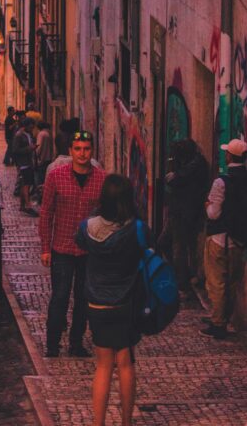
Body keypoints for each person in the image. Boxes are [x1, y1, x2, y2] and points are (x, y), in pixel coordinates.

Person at [76, 174, 148, 426]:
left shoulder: (88, 227)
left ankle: (98, 423)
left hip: (96, 304)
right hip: (125, 304)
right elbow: (146, 248)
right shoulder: (136, 228)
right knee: (125, 363)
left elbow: (79, 242)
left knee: (103, 366)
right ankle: (126, 422)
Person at [39, 129, 106, 357]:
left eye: (86, 149)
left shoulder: (101, 179)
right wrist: (45, 248)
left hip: (89, 250)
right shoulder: (56, 177)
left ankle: (76, 343)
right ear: (70, 151)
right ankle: (52, 344)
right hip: (62, 248)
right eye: (77, 149)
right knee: (59, 296)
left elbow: (106, 216)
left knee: (83, 298)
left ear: (91, 151)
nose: (82, 154)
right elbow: (46, 213)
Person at [202, 138, 247, 339]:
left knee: (216, 282)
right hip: (240, 241)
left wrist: (207, 205)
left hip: (219, 239)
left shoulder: (221, 182)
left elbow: (213, 214)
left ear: (229, 156)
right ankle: (224, 317)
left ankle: (218, 324)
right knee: (232, 283)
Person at [159, 138, 209, 292]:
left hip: (184, 213)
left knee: (178, 249)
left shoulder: (195, 166)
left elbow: (173, 180)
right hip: (178, 212)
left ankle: (182, 283)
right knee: (164, 244)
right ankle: (183, 276)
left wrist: (175, 173)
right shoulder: (191, 164)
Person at [11, 117, 38, 215]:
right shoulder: (19, 135)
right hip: (23, 163)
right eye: (31, 126)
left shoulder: (29, 134)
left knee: (25, 184)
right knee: (26, 185)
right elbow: (15, 150)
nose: (32, 128)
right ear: (26, 125)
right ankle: (28, 205)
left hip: (29, 162)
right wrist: (29, 148)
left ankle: (22, 206)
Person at [35, 120, 53, 190]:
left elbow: (38, 148)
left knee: (40, 178)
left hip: (41, 159)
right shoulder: (48, 133)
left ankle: (39, 194)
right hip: (47, 158)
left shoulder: (41, 134)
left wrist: (36, 156)